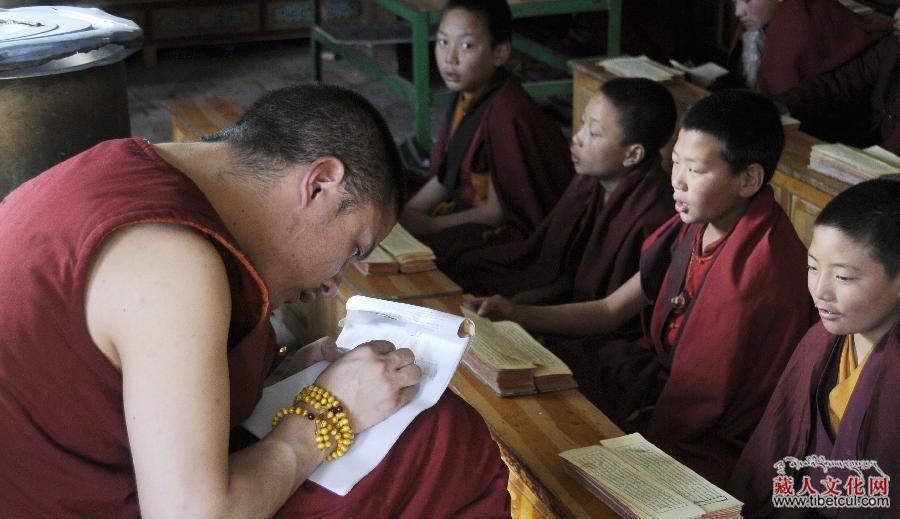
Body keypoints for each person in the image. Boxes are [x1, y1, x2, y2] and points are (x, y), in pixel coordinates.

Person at [0, 84, 509, 518]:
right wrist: (330, 414)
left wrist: (279, 372)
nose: (334, 283)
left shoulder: (121, 166)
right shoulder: (171, 261)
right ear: (321, 185)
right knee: (442, 444)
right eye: (353, 247)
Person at [466, 90, 817, 487]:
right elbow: (613, 309)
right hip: (658, 379)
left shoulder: (761, 272)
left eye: (696, 171)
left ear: (749, 179)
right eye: (676, 163)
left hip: (708, 432)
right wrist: (518, 313)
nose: (678, 182)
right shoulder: (698, 222)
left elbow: (705, 403)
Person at [450, 78, 676, 334]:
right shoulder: (590, 180)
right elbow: (572, 272)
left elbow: (609, 311)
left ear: (633, 155)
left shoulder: (654, 218)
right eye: (581, 125)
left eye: (594, 133)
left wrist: (519, 314)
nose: (577, 138)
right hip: (578, 305)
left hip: (611, 329)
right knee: (468, 266)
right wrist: (515, 304)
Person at [730, 178, 899, 519]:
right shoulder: (819, 342)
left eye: (844, 277)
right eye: (812, 267)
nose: (821, 291)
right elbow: (775, 462)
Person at [401, 0, 574, 267]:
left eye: (467, 45)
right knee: (388, 195)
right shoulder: (467, 94)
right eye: (443, 42)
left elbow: (497, 212)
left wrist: (430, 225)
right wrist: (408, 214)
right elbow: (447, 175)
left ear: (500, 53)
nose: (450, 58)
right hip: (465, 205)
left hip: (503, 228)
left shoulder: (509, 112)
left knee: (438, 261)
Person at [776, 6, 900, 154]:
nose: (896, 15)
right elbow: (839, 85)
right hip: (859, 155)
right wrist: (783, 107)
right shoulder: (892, 46)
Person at [721, 0, 884, 97]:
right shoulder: (760, 20)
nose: (738, 12)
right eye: (735, 2)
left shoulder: (801, 19)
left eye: (748, 0)